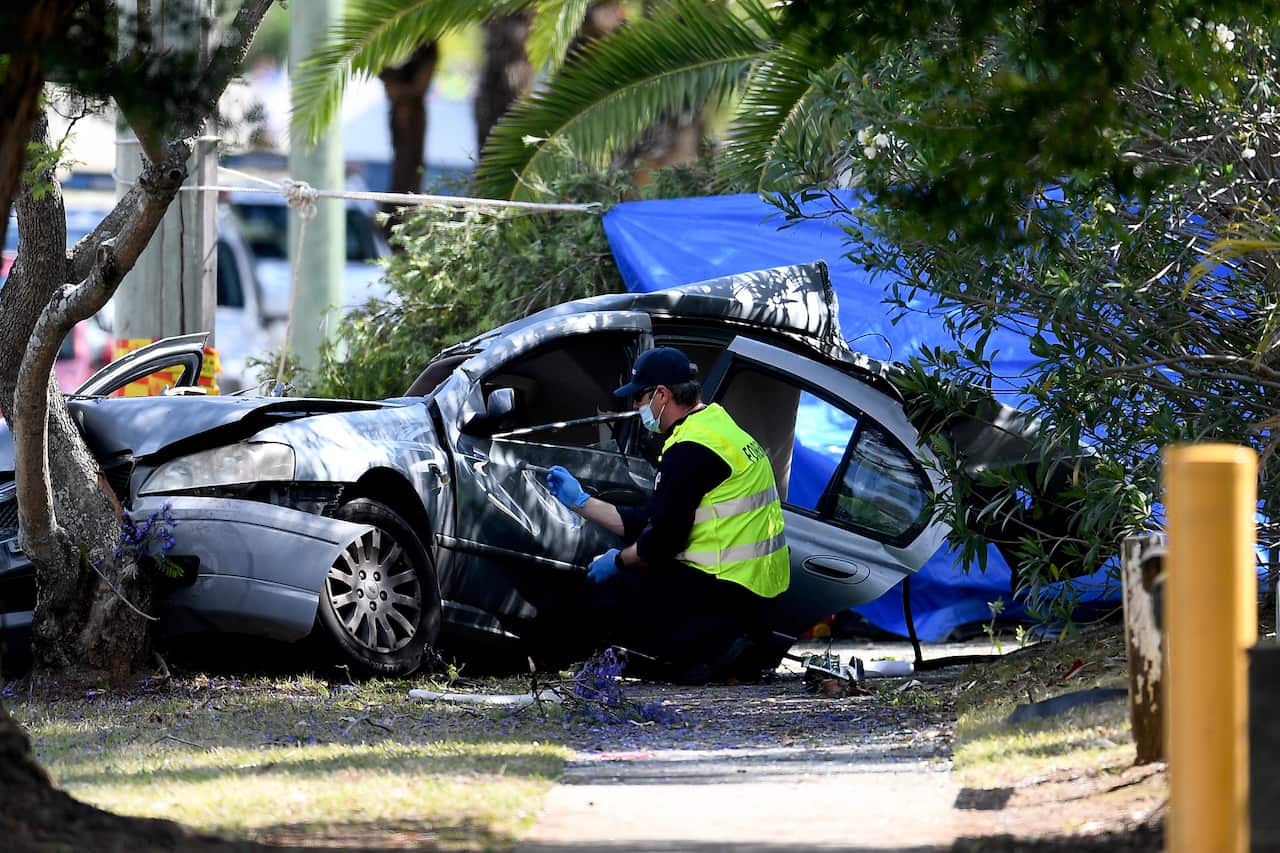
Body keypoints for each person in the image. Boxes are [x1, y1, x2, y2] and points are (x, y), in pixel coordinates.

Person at [546, 346, 789, 683]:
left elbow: (661, 543)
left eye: (640, 397)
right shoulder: (719, 427)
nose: (636, 406)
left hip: (724, 599)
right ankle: (719, 653)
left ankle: (691, 658)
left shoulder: (689, 449)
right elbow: (657, 516)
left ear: (661, 394)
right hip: (754, 597)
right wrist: (582, 502)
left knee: (607, 590)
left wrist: (617, 561)